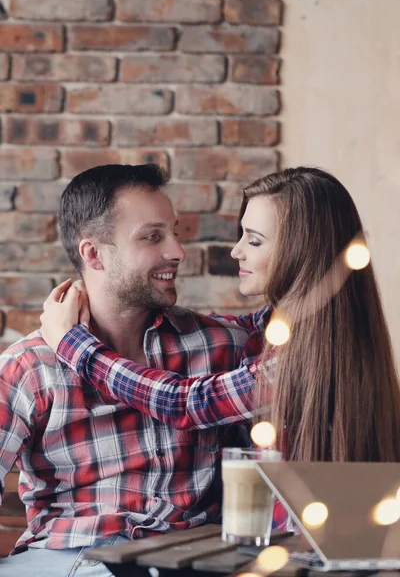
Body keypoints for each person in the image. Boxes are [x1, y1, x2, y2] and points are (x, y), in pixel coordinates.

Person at [0, 164, 258, 576]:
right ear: (94, 254)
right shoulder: (30, 367)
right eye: (153, 237)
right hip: (69, 558)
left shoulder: (219, 346)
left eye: (175, 232)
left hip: (186, 558)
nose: (177, 251)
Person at [41, 167, 400, 463]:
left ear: (303, 251)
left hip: (301, 537)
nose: (236, 251)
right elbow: (239, 325)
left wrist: (77, 347)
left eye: (254, 240)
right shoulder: (309, 324)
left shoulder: (314, 350)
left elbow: (186, 404)